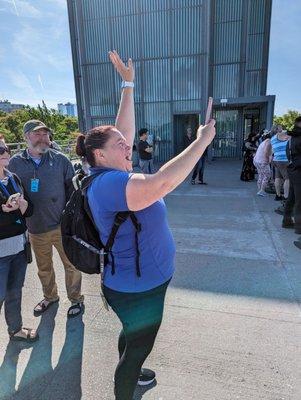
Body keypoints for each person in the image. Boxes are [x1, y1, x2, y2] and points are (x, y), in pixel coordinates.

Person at [77, 51, 216, 400]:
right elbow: (161, 184)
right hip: (138, 288)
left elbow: (120, 130)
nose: (129, 146)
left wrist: (128, 84)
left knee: (133, 334)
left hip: (138, 282)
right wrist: (200, 142)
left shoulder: (111, 170)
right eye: (121, 146)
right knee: (139, 345)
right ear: (100, 155)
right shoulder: (109, 184)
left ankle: (132, 366)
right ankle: (126, 386)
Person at [8, 120, 84, 318]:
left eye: (45, 134)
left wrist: (73, 220)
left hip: (62, 227)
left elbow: (73, 191)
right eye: (37, 134)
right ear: (26, 137)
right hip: (35, 227)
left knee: (72, 265)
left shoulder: (60, 159)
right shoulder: (15, 163)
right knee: (44, 268)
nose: (42, 138)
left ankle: (76, 299)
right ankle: (50, 297)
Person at [0, 135, 39, 342]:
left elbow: (30, 208)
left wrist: (23, 206)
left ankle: (15, 329)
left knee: (15, 292)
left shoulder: (13, 178)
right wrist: (3, 209)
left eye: (5, 148)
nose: (5, 152)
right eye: (0, 149)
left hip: (18, 247)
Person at [282, 116, 301, 234]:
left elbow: (287, 154)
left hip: (293, 169)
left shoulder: (291, 138)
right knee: (299, 200)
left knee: (292, 198)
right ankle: (299, 227)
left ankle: (287, 220)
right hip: (299, 171)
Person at [270, 129, 290, 201]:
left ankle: (278, 195)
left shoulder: (273, 139)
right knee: (287, 179)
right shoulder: (287, 136)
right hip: (284, 160)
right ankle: (286, 197)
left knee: (278, 177)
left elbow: (272, 150)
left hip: (276, 159)